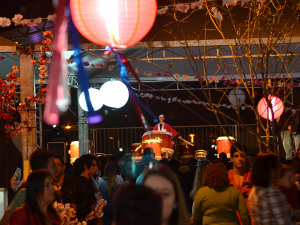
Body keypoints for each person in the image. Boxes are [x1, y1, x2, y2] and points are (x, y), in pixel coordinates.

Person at [0, 149, 57, 225]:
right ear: (43, 170)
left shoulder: (47, 197)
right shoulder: (26, 192)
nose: (56, 169)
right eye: (53, 165)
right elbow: (4, 222)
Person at [193, 160, 251, 225]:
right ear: (225, 174)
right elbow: (245, 216)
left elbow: (196, 219)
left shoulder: (201, 193)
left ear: (207, 174)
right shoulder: (235, 192)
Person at [248, 152, 295, 225]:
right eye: (278, 166)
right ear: (271, 170)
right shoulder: (271, 193)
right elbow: (284, 222)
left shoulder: (254, 191)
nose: (280, 168)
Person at [98, 157, 124, 225]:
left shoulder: (100, 180)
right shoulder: (119, 179)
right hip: (116, 208)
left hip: (104, 208)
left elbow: (99, 195)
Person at [76, 154, 99, 221]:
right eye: (93, 165)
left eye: (96, 165)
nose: (96, 168)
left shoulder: (89, 181)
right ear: (85, 167)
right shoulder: (79, 182)